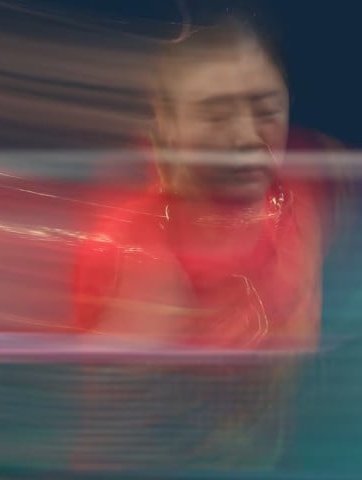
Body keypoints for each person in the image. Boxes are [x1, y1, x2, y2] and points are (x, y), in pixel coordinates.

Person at [71, 13, 343, 471]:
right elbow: (121, 429)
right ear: (166, 127)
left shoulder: (308, 190)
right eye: (215, 115)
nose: (244, 137)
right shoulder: (132, 249)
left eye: (265, 110)